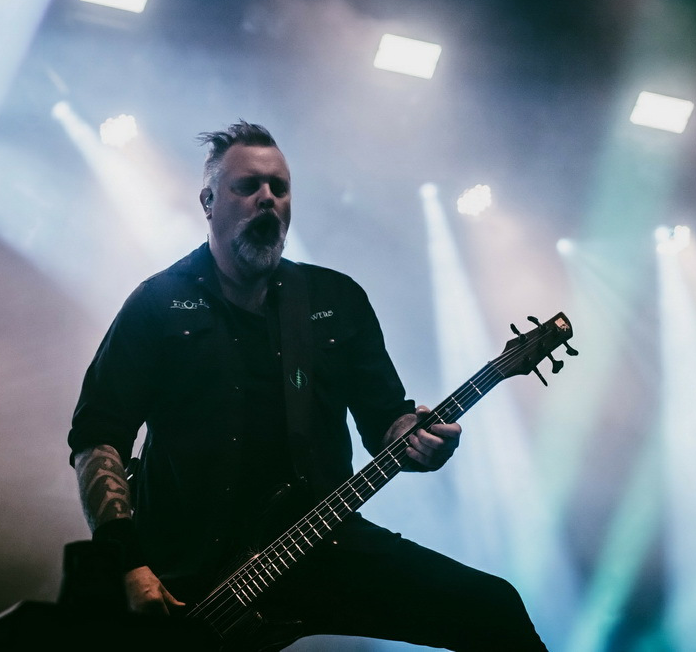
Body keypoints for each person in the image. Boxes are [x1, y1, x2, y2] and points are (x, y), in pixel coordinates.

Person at [68, 121, 547, 650]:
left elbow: (386, 423)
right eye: (247, 186)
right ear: (208, 201)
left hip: (317, 541)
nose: (267, 199)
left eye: (279, 187)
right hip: (190, 567)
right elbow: (98, 436)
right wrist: (128, 562)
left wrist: (417, 440)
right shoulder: (158, 303)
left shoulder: (335, 299)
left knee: (493, 608)